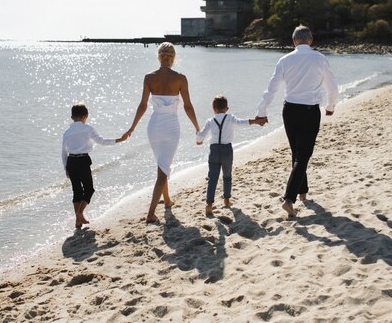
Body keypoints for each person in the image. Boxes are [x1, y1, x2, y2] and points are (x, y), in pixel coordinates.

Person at [255, 25, 338, 217]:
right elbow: (332, 87)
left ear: (293, 41)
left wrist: (262, 111)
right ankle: (289, 198)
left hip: (290, 111)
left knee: (297, 153)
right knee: (304, 154)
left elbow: (271, 89)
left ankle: (303, 192)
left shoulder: (285, 60)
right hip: (310, 111)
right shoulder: (319, 58)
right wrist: (330, 106)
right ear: (310, 40)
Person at [125, 42, 200, 223]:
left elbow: (143, 106)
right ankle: (150, 213)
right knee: (162, 170)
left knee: (161, 166)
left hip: (154, 127)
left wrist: (132, 127)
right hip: (171, 127)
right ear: (173, 58)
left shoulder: (149, 78)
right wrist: (197, 127)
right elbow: (188, 106)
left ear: (159, 57)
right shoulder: (181, 78)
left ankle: (166, 200)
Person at [62, 104, 127, 228]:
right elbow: (101, 141)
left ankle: (78, 221)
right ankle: (80, 214)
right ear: (85, 116)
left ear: (72, 117)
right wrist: (120, 139)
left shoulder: (66, 133)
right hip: (83, 161)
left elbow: (63, 152)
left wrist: (66, 167)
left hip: (71, 161)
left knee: (76, 191)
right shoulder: (87, 128)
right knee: (89, 189)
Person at [196, 95, 262, 216]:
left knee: (212, 179)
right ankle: (226, 200)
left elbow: (201, 136)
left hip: (214, 151)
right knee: (227, 176)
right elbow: (242, 123)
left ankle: (209, 204)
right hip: (227, 150)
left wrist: (198, 138)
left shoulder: (210, 121)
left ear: (213, 108)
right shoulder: (230, 117)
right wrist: (256, 121)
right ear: (227, 108)